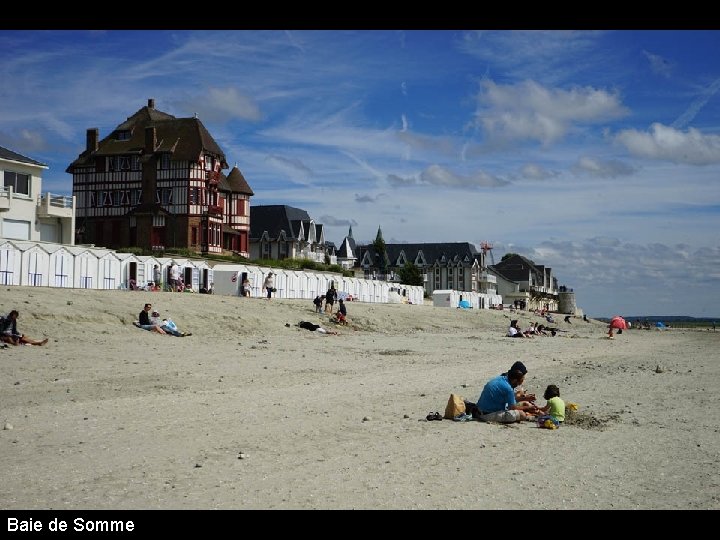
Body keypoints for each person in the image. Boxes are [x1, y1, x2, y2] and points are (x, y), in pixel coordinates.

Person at [475, 367, 539, 423]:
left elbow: (511, 400)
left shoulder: (501, 378)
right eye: (519, 382)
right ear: (515, 380)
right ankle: (530, 417)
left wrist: (525, 399)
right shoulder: (508, 388)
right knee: (522, 414)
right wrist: (529, 407)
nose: (519, 385)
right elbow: (512, 408)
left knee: (525, 404)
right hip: (487, 414)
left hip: (479, 409)